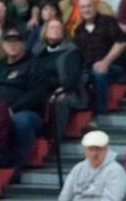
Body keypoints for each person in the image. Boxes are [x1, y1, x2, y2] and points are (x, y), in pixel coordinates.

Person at [0, 25, 46, 171]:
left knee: (20, 121)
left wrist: (12, 109)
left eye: (17, 41)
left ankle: (16, 168)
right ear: (3, 44)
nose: (12, 44)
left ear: (24, 44)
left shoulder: (34, 65)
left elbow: (37, 94)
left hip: (26, 112)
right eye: (8, 41)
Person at [33, 18, 86, 147]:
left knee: (59, 100)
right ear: (45, 31)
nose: (55, 30)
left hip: (68, 91)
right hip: (42, 89)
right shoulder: (38, 52)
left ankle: (55, 139)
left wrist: (63, 89)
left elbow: (74, 77)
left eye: (59, 28)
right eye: (52, 27)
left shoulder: (71, 51)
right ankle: (36, 137)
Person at [74, 0, 126, 119]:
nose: (86, 10)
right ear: (79, 10)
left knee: (97, 73)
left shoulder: (108, 21)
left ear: (96, 6)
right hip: (89, 69)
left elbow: (122, 42)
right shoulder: (78, 30)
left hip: (114, 67)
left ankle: (100, 116)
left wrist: (106, 62)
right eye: (83, 7)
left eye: (89, 6)